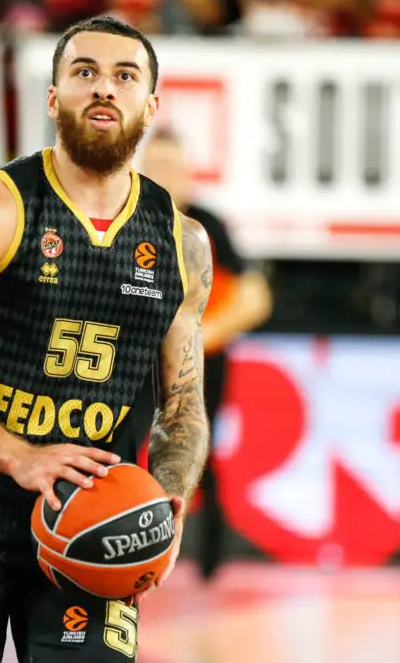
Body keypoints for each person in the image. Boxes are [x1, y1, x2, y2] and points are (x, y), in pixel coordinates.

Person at [0, 15, 213, 662]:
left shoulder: (181, 243)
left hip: (93, 528)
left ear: (151, 105)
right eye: (85, 72)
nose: (104, 88)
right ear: (54, 98)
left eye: (125, 76)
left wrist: (168, 501)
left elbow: (183, 405)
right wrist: (20, 456)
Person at [141, 128, 273, 580]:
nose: (163, 177)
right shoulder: (126, 220)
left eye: (170, 168)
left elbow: (256, 298)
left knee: (197, 450)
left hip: (198, 363)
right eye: (155, 167)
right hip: (137, 357)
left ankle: (210, 559)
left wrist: (202, 337)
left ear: (186, 175)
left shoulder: (207, 228)